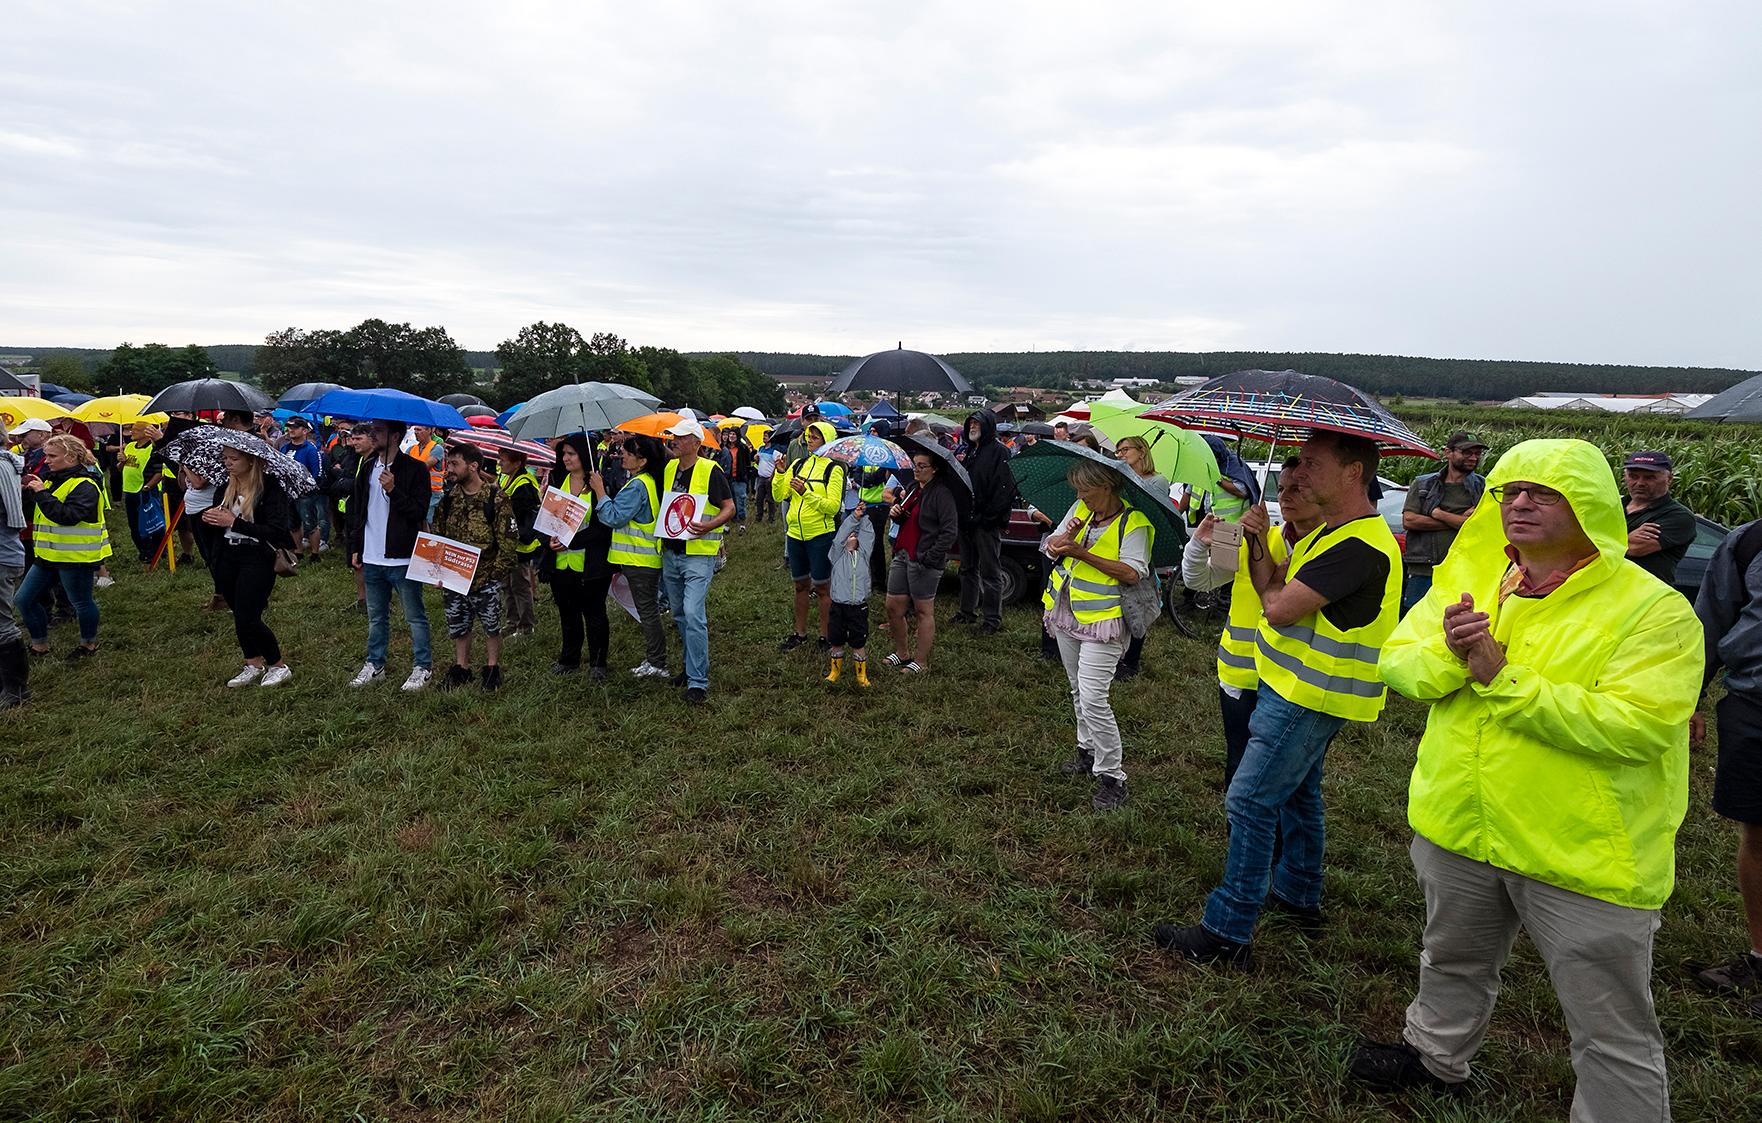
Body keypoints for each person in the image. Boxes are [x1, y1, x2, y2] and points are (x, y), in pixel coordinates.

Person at [1352, 439, 1701, 1121]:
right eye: (1510, 490)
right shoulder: (1477, 576)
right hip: (1462, 823)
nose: (1519, 502)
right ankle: (1435, 1054)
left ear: (1592, 505)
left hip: (1579, 851)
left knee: (1610, 1023)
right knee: (1450, 956)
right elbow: (1401, 662)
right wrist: (1458, 658)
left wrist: (1499, 675)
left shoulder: (1653, 610)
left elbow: (1634, 726)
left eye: (1542, 491)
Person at [1154, 430, 1402, 963]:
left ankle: (1227, 930)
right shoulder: (1328, 536)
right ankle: (1297, 895)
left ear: (1353, 472)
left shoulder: (1357, 545)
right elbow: (1273, 582)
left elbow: (1278, 607)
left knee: (1249, 799)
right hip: (1291, 686)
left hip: (1309, 692)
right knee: (1298, 794)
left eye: (1312, 464)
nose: (1297, 475)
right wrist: (1257, 548)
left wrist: (1272, 588)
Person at [1182, 458, 1322, 787]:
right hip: (1240, 674)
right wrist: (1199, 544)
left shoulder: (1330, 548)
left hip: (1294, 682)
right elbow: (1200, 581)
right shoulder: (1246, 535)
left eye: (1298, 488)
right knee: (1239, 758)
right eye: (1282, 487)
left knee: (1291, 775)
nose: (1286, 496)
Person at [1043, 459, 1155, 811]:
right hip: (1067, 611)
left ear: (1107, 487)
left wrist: (1082, 553)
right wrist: (1063, 541)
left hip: (1104, 620)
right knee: (1077, 688)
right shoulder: (1081, 511)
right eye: (1078, 490)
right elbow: (1052, 546)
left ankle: (1112, 776)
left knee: (1094, 697)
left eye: (1086, 491)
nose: (1081, 497)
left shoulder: (1134, 523)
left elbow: (1132, 573)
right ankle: (1086, 751)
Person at [1688, 515, 1762, 1015]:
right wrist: (1688, 697)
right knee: (1758, 833)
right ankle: (1760, 957)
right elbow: (1711, 621)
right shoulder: (1750, 541)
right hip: (1754, 708)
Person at [346, 420, 434, 691]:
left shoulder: (416, 469)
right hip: (372, 557)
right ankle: (375, 664)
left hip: (402, 557)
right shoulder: (369, 466)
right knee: (376, 616)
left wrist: (394, 490)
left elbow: (418, 511)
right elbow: (359, 511)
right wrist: (355, 547)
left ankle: (423, 667)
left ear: (395, 436)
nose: (373, 435)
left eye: (380, 431)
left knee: (414, 616)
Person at [203, 445, 297, 687]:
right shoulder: (226, 487)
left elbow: (276, 531)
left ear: (251, 461)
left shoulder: (270, 489)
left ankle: (278, 664)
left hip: (258, 558)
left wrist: (234, 522)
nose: (228, 463)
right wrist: (211, 519)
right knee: (238, 614)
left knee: (248, 615)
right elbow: (221, 523)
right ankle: (252, 663)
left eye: (234, 458)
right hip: (227, 556)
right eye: (225, 458)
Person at [655, 420, 735, 703]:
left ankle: (698, 681)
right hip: (671, 552)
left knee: (692, 613)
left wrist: (710, 525)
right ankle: (689, 670)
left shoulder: (711, 470)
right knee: (679, 613)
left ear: (696, 443)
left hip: (699, 554)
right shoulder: (669, 468)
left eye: (679, 437)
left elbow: (730, 507)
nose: (673, 441)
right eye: (672, 437)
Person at [17, 435, 107, 660]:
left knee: (81, 602)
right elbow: (39, 513)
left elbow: (68, 516)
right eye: (46, 455)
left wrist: (41, 494)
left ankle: (89, 644)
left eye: (52, 456)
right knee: (23, 600)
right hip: (48, 555)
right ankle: (40, 645)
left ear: (72, 456)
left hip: (75, 556)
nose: (46, 460)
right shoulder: (51, 480)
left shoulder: (85, 485)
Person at [432, 443, 508, 691]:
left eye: (455, 464)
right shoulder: (449, 499)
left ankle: (492, 667)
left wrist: (494, 574)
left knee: (491, 625)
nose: (449, 469)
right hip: (455, 577)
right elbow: (440, 536)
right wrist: (439, 570)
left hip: (486, 576)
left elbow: (508, 542)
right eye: (449, 464)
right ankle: (461, 668)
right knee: (458, 623)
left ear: (473, 466)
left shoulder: (495, 499)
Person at [593, 433, 669, 679]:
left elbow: (613, 517)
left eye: (628, 451)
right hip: (643, 560)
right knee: (648, 610)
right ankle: (656, 659)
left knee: (647, 611)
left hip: (640, 562)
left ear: (643, 460)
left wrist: (600, 492)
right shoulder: (648, 480)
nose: (622, 454)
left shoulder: (638, 485)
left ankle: (657, 662)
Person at [774, 421, 847, 651]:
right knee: (800, 586)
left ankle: (825, 636)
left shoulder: (833, 469)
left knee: (823, 588)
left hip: (820, 535)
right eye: (809, 436)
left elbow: (833, 508)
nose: (810, 440)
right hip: (795, 534)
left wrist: (806, 493)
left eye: (816, 436)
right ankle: (800, 633)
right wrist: (779, 473)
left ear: (827, 439)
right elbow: (780, 495)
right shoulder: (797, 465)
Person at [885, 450, 959, 674]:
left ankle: (921, 661)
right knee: (893, 606)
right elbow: (909, 518)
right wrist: (897, 513)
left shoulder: (942, 494)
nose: (916, 469)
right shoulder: (915, 489)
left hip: (924, 559)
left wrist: (929, 557)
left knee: (923, 611)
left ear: (934, 469)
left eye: (922, 466)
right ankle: (902, 652)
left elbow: (949, 532)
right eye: (915, 465)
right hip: (904, 553)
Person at [546, 434, 613, 678]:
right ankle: (569, 659)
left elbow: (603, 528)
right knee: (567, 611)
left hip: (591, 564)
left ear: (584, 455)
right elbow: (549, 518)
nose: (565, 458)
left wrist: (571, 541)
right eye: (563, 454)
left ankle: (598, 662)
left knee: (594, 612)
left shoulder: (598, 485)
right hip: (562, 563)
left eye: (571, 454)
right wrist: (550, 539)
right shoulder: (558, 480)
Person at [1400, 431, 1487, 613]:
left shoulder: (1483, 487)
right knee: (1415, 619)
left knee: (1455, 622)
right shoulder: (1423, 484)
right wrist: (1460, 521)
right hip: (1424, 569)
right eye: (1467, 452)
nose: (1473, 458)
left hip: (1464, 570)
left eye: (1477, 453)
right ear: (1448, 452)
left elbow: (1481, 527)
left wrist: (1439, 514)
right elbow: (1409, 520)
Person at [1112, 435, 1169, 680]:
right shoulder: (1120, 478)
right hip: (1117, 545)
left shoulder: (1158, 481)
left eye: (1125, 450)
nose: (1121, 454)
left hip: (1141, 547)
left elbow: (1147, 509)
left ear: (1141, 451)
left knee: (1137, 605)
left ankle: (1132, 661)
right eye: (1118, 451)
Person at [953, 410, 1014, 635]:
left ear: (987, 425)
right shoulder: (971, 451)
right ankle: (967, 612)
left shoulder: (1000, 452)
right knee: (967, 569)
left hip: (986, 522)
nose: (972, 427)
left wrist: (989, 517)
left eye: (977, 423)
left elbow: (1004, 489)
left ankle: (992, 619)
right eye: (970, 423)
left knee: (990, 571)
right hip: (968, 520)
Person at [1622, 450, 1696, 587]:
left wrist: (1598, 540)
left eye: (1649, 477)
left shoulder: (1679, 517)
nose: (1640, 483)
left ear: (1669, 479)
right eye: (1633, 476)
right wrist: (1626, 538)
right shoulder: (1614, 506)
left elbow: (1634, 548)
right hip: (1604, 595)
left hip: (1644, 596)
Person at [825, 502, 877, 687]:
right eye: (850, 534)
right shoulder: (837, 555)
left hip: (858, 608)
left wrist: (863, 517)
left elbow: (869, 535)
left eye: (856, 534)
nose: (853, 535)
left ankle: (861, 675)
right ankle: (834, 671)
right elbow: (839, 537)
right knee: (836, 639)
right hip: (839, 606)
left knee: (858, 641)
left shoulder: (863, 554)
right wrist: (853, 518)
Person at [496, 448, 541, 640]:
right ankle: (512, 622)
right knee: (506, 584)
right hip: (507, 542)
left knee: (520, 585)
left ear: (516, 463)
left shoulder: (524, 483)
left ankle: (526, 626)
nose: (499, 464)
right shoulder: (507, 478)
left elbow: (515, 512)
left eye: (503, 460)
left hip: (521, 544)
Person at [328, 425, 372, 613]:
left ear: (372, 439)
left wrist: (348, 483)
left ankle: (378, 602)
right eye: (352, 439)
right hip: (352, 514)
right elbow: (340, 480)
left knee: (369, 560)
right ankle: (362, 600)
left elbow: (363, 485)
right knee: (356, 559)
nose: (353, 442)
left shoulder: (377, 460)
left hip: (370, 516)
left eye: (358, 438)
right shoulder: (353, 456)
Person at [0, 423, 29, 705]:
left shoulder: (1, 465)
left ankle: (15, 689)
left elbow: (12, 515)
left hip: (2, 553)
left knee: (2, 622)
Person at [279, 417, 328, 562]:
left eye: (295, 427)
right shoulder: (285, 448)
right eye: (289, 427)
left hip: (305, 494)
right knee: (293, 524)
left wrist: (307, 488)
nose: (291, 430)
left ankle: (314, 553)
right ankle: (298, 551)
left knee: (310, 524)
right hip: (288, 492)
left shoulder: (310, 450)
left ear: (304, 430)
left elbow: (318, 472)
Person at [118, 420, 165, 561]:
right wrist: (122, 461)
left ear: (146, 433)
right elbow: (119, 469)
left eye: (136, 430)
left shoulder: (153, 449)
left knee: (152, 522)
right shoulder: (129, 446)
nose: (131, 432)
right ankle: (144, 551)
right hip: (130, 491)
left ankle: (158, 550)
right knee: (134, 524)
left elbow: (159, 472)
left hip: (146, 491)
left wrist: (148, 487)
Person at [407, 424, 446, 524]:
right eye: (415, 429)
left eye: (419, 430)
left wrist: (408, 466)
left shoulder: (437, 449)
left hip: (432, 494)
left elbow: (424, 467)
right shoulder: (412, 448)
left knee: (426, 522)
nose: (416, 432)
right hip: (415, 492)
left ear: (430, 431)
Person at [752, 440, 778, 524]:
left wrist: (771, 477)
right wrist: (756, 460)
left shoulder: (774, 451)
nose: (764, 438)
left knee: (770, 499)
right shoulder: (761, 448)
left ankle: (771, 518)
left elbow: (777, 465)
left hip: (769, 478)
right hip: (761, 477)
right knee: (759, 499)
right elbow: (758, 463)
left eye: (766, 436)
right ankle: (759, 516)